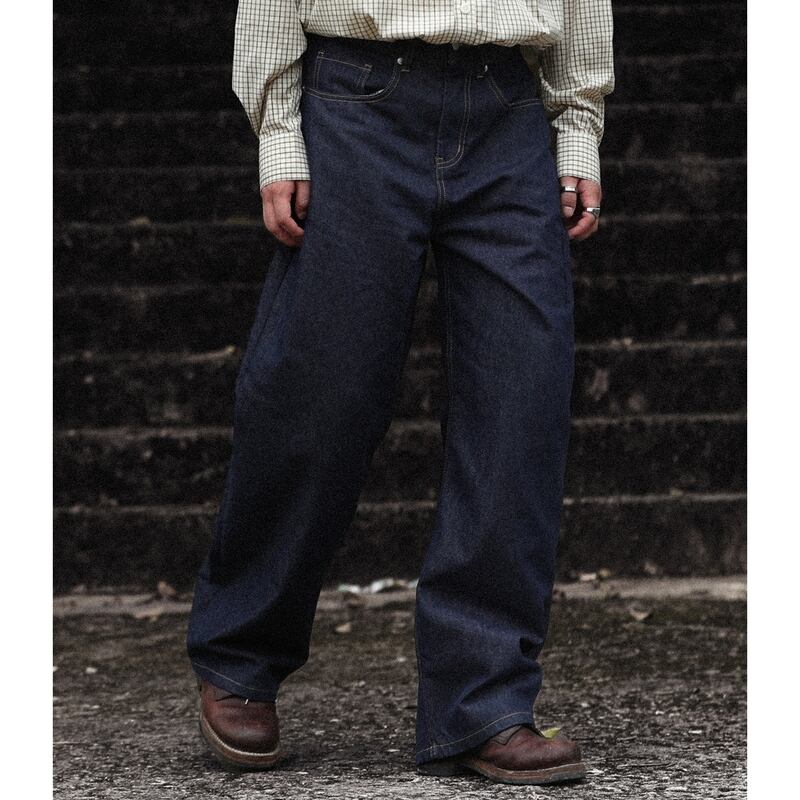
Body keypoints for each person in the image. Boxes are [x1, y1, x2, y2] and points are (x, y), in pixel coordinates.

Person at [186, 0, 614, 786]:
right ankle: (241, 656)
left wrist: (578, 122)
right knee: (320, 391)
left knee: (521, 398)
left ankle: (483, 701)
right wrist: (279, 133)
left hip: (509, 106)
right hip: (356, 98)